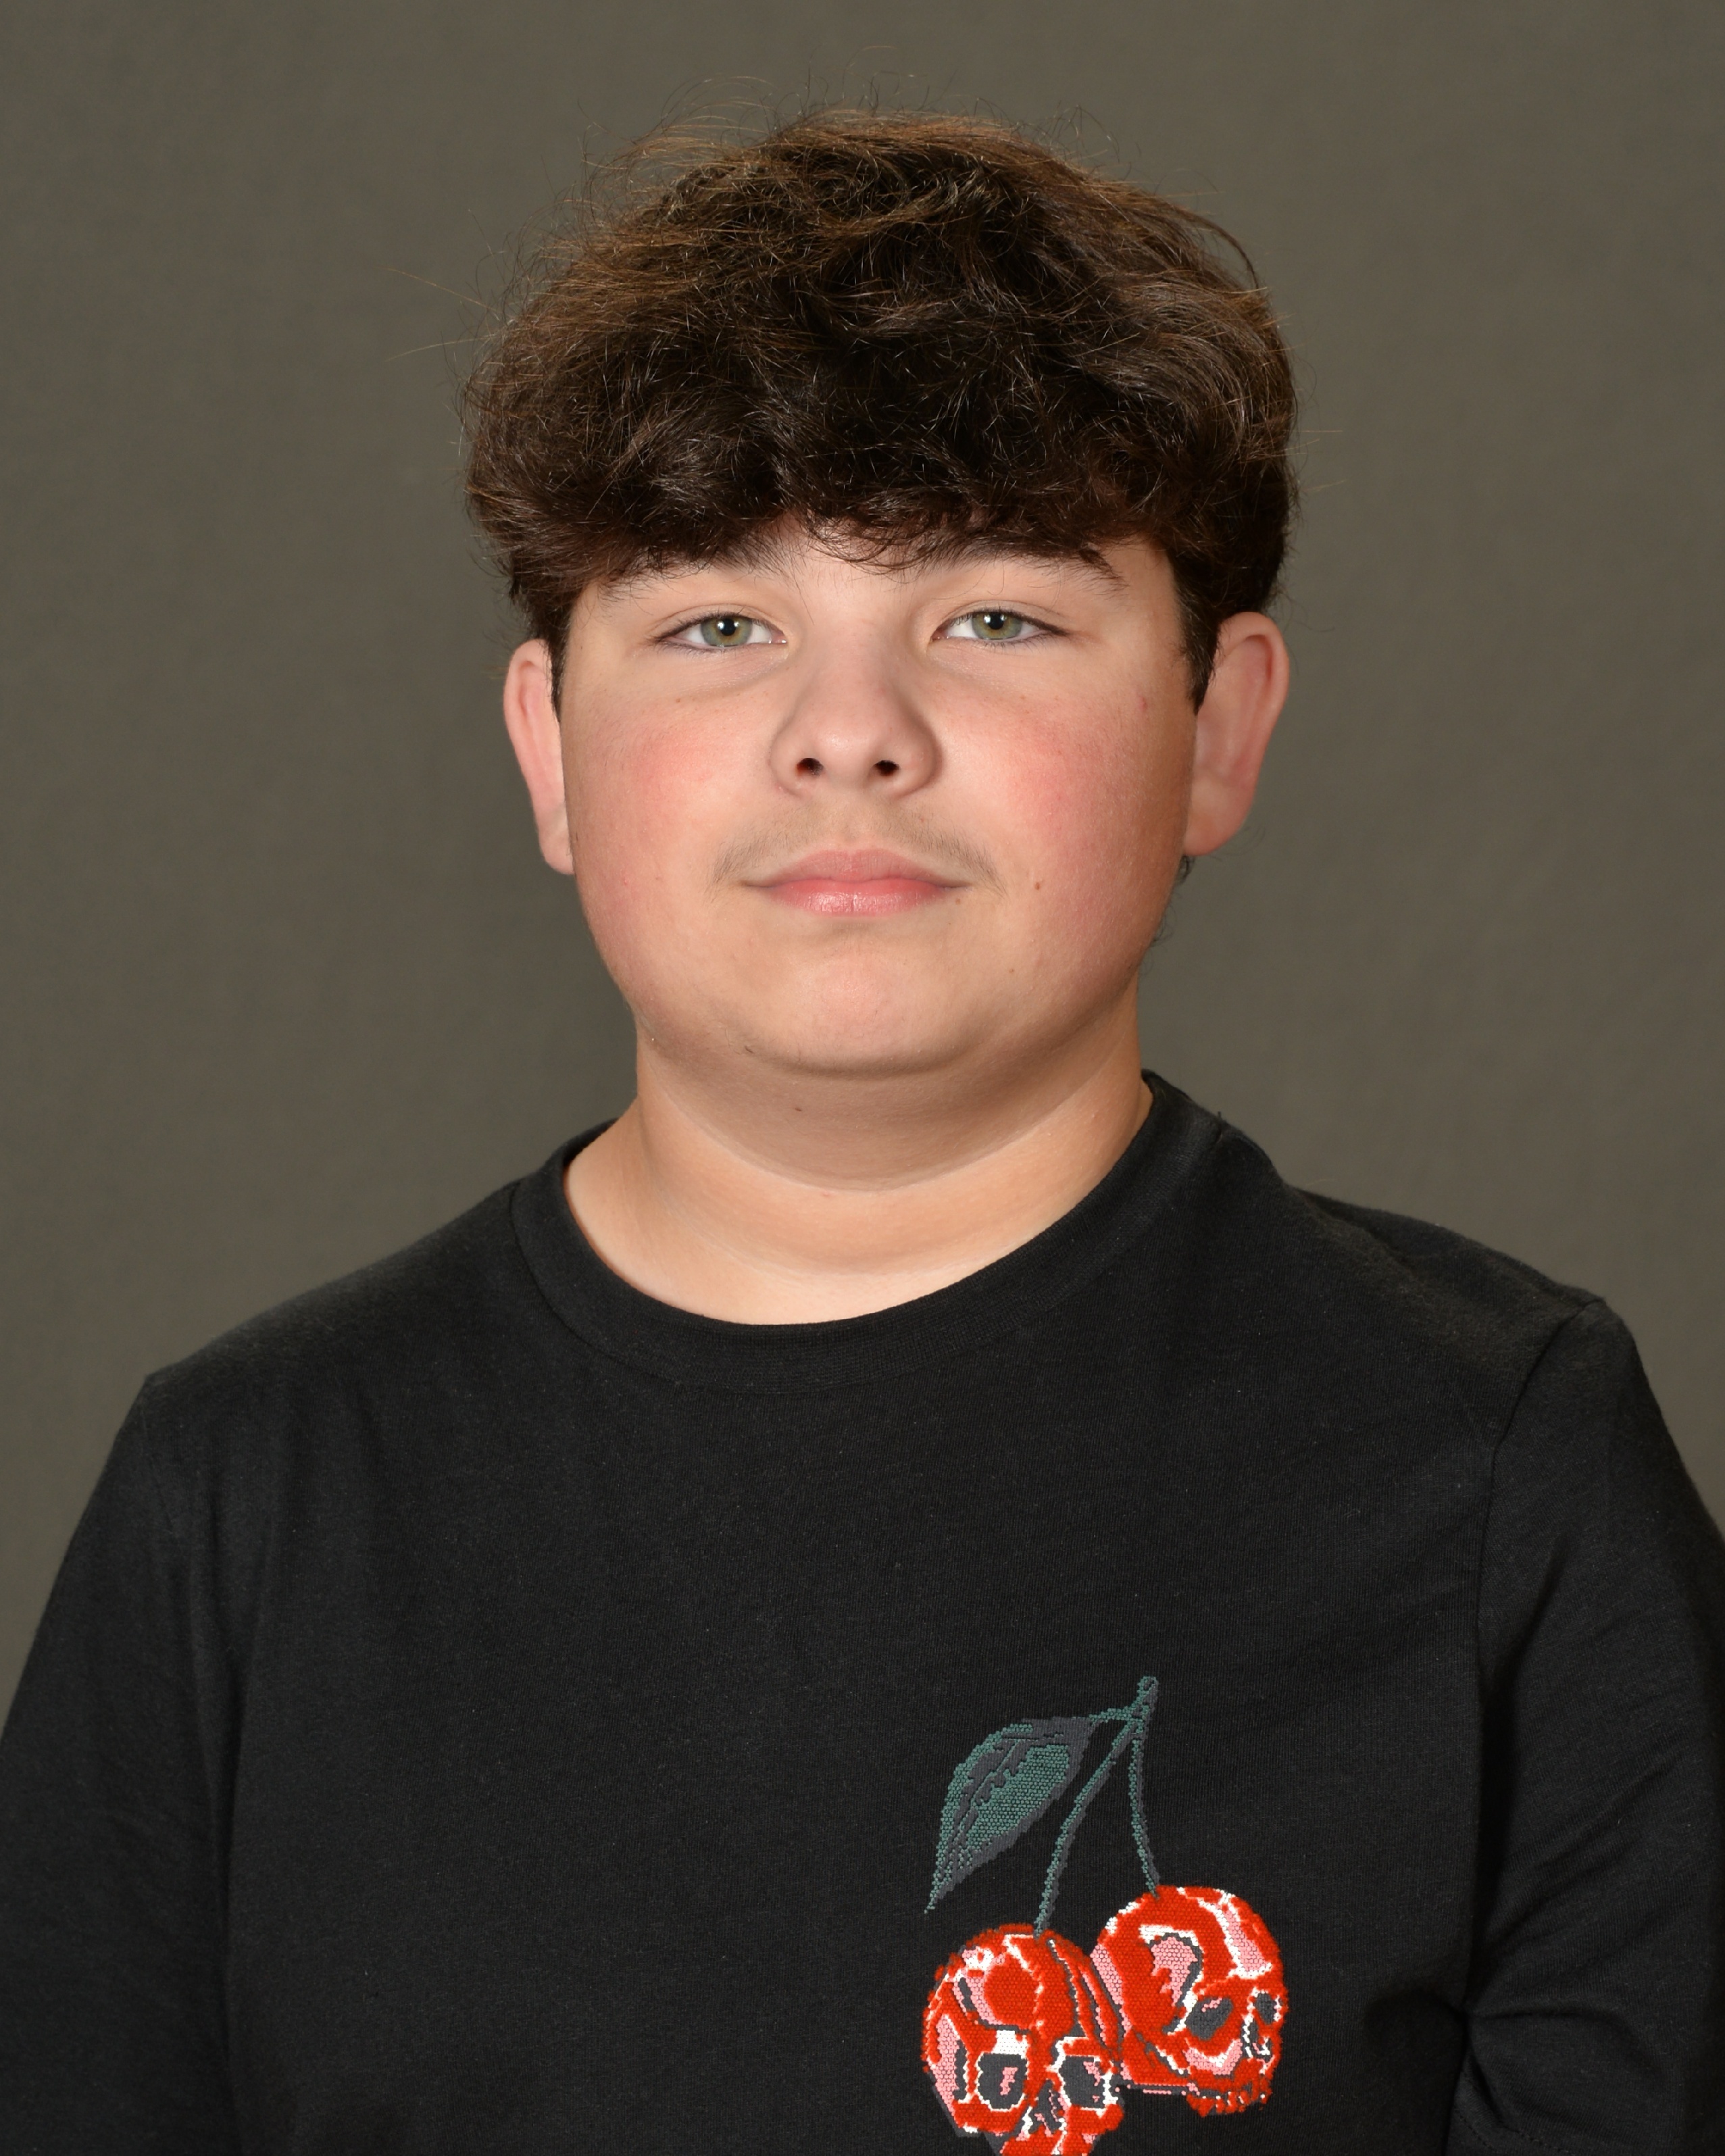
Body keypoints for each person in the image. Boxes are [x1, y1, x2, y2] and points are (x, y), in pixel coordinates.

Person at [1, 108, 1720, 2156]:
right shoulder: (247, 1502)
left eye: (994, 617)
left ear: (1218, 726)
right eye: (717, 624)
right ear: (550, 750)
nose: (849, 733)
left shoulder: (1499, 1467)